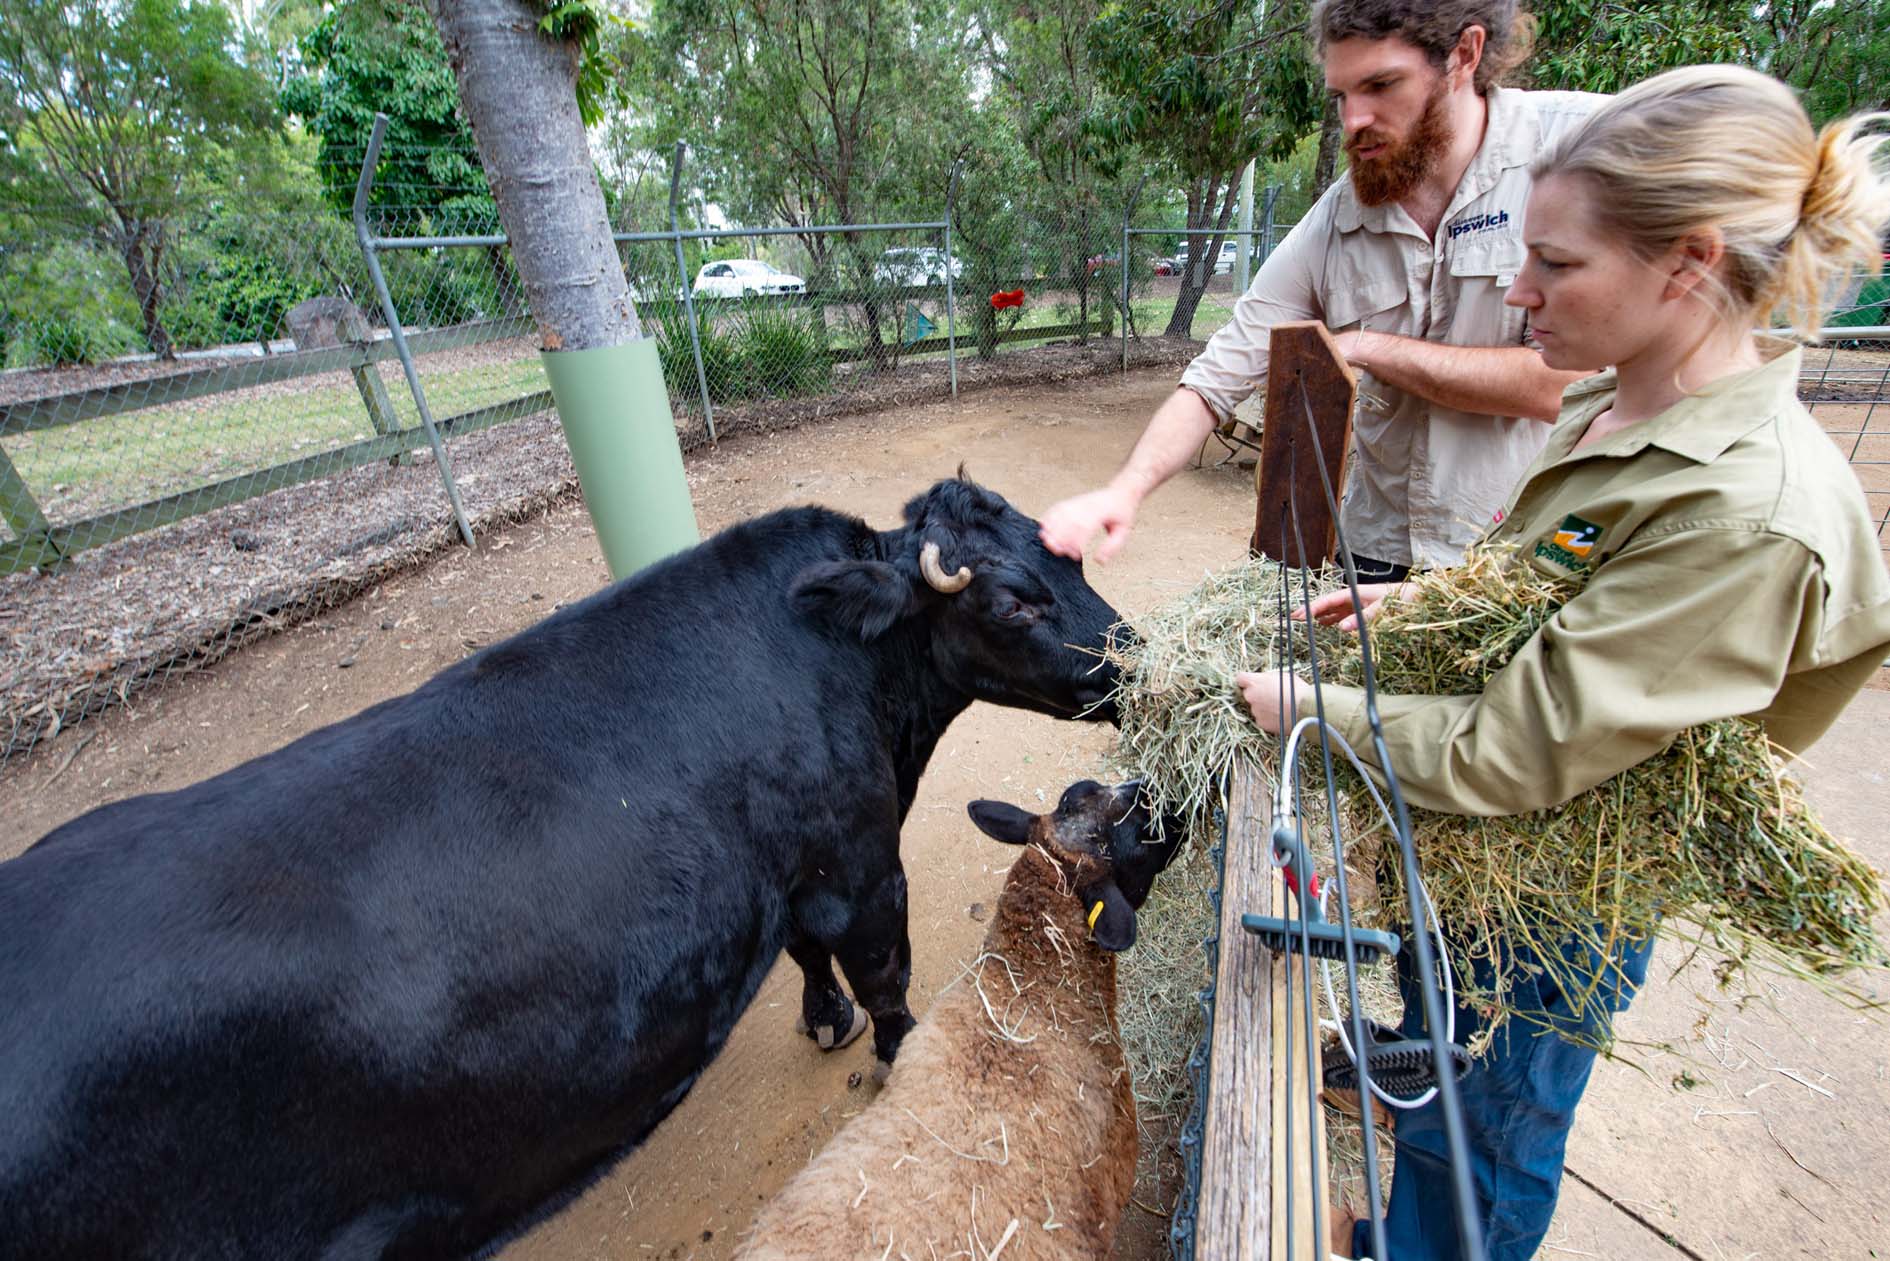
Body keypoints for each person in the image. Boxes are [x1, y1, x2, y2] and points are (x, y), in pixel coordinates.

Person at [1237, 65, 1890, 1261]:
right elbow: (1554, 580)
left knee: (1498, 1116)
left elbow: (1516, 749)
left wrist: (1304, 708)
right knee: (1442, 1047)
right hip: (1495, 842)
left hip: (1570, 882)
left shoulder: (1744, 513)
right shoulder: (1617, 397)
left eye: (1557, 266)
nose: (1520, 293)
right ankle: (1399, 1228)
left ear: (1688, 262)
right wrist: (1420, 601)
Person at [1040, 0, 1600, 582]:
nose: (1354, 120)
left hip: (1521, 556)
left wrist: (1364, 347)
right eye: (1340, 96)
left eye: (1381, 85)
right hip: (1378, 550)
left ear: (1464, 54)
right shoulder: (1337, 219)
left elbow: (1568, 386)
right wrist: (1125, 491)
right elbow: (1220, 374)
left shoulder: (1576, 152)